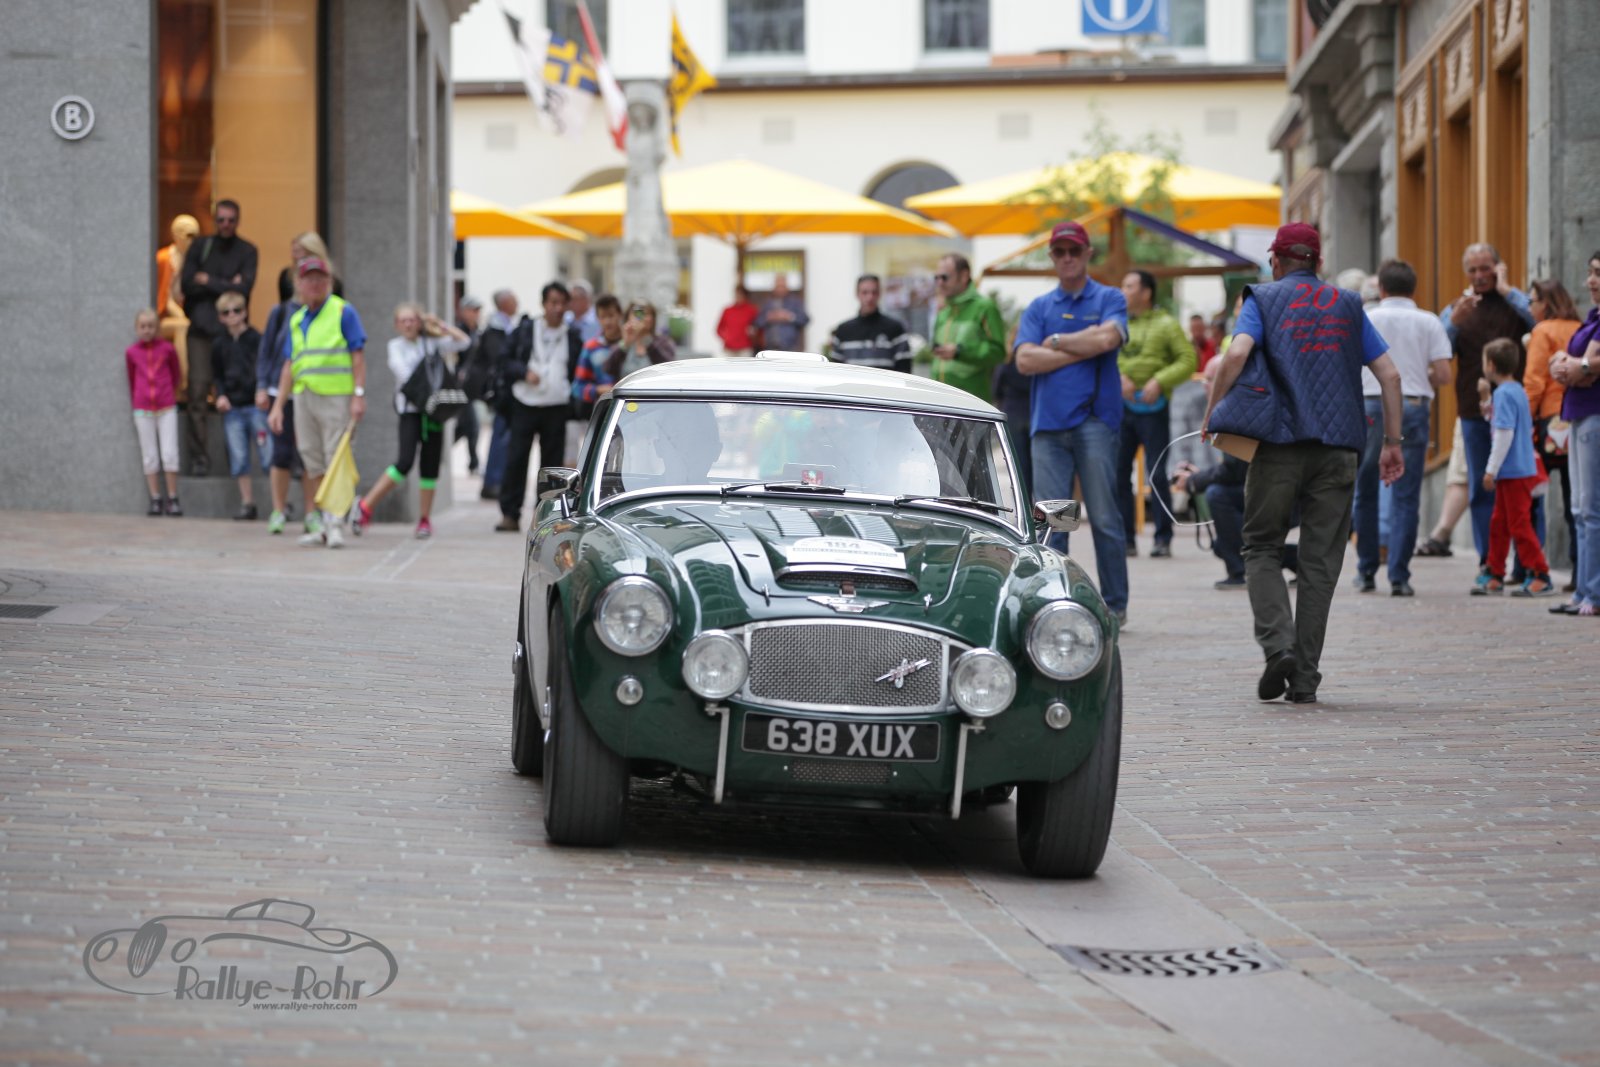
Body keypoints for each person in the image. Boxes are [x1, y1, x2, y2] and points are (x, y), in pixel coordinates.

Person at [1201, 223, 1404, 704]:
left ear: (1275, 260)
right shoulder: (1349, 304)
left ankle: (1279, 647)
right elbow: (1391, 375)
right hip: (1339, 449)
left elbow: (1237, 353)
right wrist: (1393, 443)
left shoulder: (1262, 299)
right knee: (1320, 564)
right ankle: (1305, 679)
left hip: (1279, 446)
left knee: (1260, 546)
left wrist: (1213, 413)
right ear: (1318, 262)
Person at [1014, 221, 1131, 624]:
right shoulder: (1039, 306)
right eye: (1060, 252)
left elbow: (1109, 340)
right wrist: (1085, 343)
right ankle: (1055, 601)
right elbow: (1024, 360)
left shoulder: (1109, 297)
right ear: (1052, 256)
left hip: (1096, 422)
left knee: (1103, 518)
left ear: (1087, 254)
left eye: (1074, 251)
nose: (1067, 258)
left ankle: (1115, 606)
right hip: (1049, 426)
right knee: (1054, 522)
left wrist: (1056, 342)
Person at [1353, 259, 1454, 596]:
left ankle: (1366, 570)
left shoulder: (1366, 317)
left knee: (1365, 488)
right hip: (1412, 405)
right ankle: (1399, 576)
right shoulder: (1429, 321)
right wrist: (1416, 377)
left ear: (1381, 288)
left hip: (1369, 403)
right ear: (1414, 289)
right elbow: (1444, 375)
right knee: (1406, 494)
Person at [1439, 243, 1535, 569]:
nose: (1480, 276)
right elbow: (1438, 351)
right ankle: (1489, 562)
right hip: (1472, 410)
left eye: (1486, 268)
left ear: (1498, 267)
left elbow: (1541, 321)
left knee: (1521, 487)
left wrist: (1508, 291)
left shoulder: (1514, 302)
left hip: (1515, 411)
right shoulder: (1458, 308)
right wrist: (1454, 321)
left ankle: (1524, 564)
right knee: (1482, 488)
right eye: (1473, 270)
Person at [267, 257, 367, 549]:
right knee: (312, 460)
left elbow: (358, 356)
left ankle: (336, 523)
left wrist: (358, 395)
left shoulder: (343, 311)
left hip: (336, 396)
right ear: (298, 284)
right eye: (308, 279)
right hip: (304, 396)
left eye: (320, 279)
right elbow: (289, 364)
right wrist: (278, 406)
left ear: (329, 282)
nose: (315, 284)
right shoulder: (296, 319)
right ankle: (324, 524)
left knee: (336, 458)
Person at [350, 304, 471, 540]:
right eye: (403, 320)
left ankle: (424, 519)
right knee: (404, 462)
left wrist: (440, 325)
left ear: (419, 321)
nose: (408, 324)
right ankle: (365, 506)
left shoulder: (432, 342)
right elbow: (403, 373)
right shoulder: (395, 346)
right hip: (411, 411)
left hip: (434, 411)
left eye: (412, 320)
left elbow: (464, 342)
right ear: (396, 325)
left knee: (430, 466)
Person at [1116, 269, 1197, 558]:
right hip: (1121, 410)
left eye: (1128, 286)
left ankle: (1163, 538)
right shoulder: (1116, 323)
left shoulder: (1167, 324)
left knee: (1157, 473)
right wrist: (1118, 377)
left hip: (1155, 411)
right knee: (1118, 474)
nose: (1122, 291)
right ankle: (1126, 539)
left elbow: (1188, 359)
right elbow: (1104, 357)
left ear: (1146, 292)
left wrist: (1159, 381)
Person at [179, 199, 258, 477]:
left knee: (235, 396)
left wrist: (207, 280)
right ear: (215, 220)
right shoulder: (200, 246)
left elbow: (244, 290)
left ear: (238, 221)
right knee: (198, 393)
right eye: (221, 219)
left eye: (231, 220)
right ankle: (199, 458)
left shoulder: (247, 251)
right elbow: (187, 284)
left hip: (232, 336)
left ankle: (236, 461)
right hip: (200, 333)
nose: (226, 225)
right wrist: (226, 284)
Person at [496, 283, 580, 532]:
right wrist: (524, 372)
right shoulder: (525, 330)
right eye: (553, 302)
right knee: (516, 458)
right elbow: (504, 360)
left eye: (562, 303)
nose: (557, 308)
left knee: (552, 465)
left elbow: (577, 368)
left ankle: (547, 516)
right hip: (525, 402)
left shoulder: (572, 335)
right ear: (544, 304)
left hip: (557, 406)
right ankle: (510, 513)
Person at [1477, 338, 1554, 595]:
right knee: (1500, 522)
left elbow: (1503, 433)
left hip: (1513, 472)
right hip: (1517, 470)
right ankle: (1495, 572)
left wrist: (1491, 469)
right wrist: (1486, 399)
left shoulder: (1504, 394)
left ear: (1490, 365)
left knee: (1518, 524)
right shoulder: (1516, 391)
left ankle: (1540, 573)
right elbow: (1498, 420)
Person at [1547, 250, 1600, 615]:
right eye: (1590, 272)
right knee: (1581, 508)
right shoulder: (1593, 318)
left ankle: (1593, 594)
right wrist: (1572, 364)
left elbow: (1586, 367)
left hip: (1594, 413)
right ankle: (1583, 591)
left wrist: (1579, 365)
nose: (1590, 281)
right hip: (1579, 413)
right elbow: (1572, 365)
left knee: (1591, 509)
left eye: (1598, 273)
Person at [1524, 279, 1583, 584]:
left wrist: (1525, 421)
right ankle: (1580, 571)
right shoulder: (1581, 328)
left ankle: (1532, 568)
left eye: (1532, 301)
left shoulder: (1542, 331)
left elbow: (1534, 381)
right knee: (1578, 499)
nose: (1529, 307)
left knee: (1531, 497)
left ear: (1544, 304)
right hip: (1576, 417)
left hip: (1548, 421)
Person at [256, 267, 306, 535]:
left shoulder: (327, 312)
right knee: (281, 453)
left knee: (310, 456)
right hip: (280, 391)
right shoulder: (280, 312)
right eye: (303, 279)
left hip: (310, 391)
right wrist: (262, 387)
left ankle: (313, 513)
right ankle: (278, 510)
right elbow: (267, 352)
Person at [211, 291, 267, 520]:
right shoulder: (218, 344)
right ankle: (247, 503)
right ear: (220, 317)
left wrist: (262, 390)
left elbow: (263, 368)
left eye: (237, 310)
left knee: (268, 454)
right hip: (233, 408)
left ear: (245, 312)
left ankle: (281, 503)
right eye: (226, 312)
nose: (232, 315)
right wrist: (221, 395)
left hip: (256, 405)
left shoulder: (256, 339)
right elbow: (217, 375)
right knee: (239, 456)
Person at [925, 253, 1007, 403]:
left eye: (944, 277)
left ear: (963, 276)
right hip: (938, 402)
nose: (939, 283)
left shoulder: (985, 307)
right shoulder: (943, 312)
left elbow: (998, 352)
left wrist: (960, 351)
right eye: (936, 278)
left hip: (971, 405)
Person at [125, 309, 183, 516]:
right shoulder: (132, 352)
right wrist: (139, 399)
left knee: (169, 453)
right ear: (137, 328)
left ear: (157, 328)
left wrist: (167, 393)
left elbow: (176, 374)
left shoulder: (167, 349)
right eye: (143, 326)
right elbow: (132, 378)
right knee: (149, 455)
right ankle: (155, 498)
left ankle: (173, 498)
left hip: (166, 407)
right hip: (143, 409)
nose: (147, 330)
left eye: (151, 326)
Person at [478, 289, 523, 501]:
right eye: (513, 300)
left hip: (507, 391)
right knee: (500, 436)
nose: (517, 303)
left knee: (504, 437)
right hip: (503, 392)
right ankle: (493, 482)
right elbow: (500, 360)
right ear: (504, 303)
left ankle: (497, 480)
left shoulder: (506, 326)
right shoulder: (496, 329)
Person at [829, 274, 911, 373]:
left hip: (885, 384)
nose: (870, 297)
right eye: (865, 292)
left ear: (879, 294)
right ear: (857, 294)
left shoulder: (895, 329)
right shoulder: (843, 331)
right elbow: (836, 372)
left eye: (874, 292)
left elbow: (904, 370)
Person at [156, 214, 199, 393]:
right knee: (183, 326)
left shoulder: (195, 261)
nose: (192, 241)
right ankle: (183, 384)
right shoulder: (163, 258)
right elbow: (163, 296)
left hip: (187, 313)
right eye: (188, 235)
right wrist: (180, 314)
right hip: (163, 317)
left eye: (195, 236)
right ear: (176, 235)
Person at [572, 293, 626, 407]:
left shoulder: (631, 343)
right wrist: (597, 390)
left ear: (620, 315)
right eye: (603, 317)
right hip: (604, 407)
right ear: (597, 318)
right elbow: (578, 387)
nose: (607, 322)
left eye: (611, 315)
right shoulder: (591, 347)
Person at [991, 356, 1032, 500]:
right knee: (1032, 465)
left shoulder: (1006, 364)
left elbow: (996, 390)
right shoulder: (1036, 366)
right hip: (1031, 413)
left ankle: (1023, 500)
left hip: (1012, 414)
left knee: (1018, 466)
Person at [453, 296, 485, 475]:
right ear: (463, 311)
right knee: (471, 425)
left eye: (478, 310)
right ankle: (473, 463)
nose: (476, 314)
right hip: (458, 387)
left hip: (471, 387)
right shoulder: (459, 331)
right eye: (473, 310)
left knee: (463, 427)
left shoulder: (477, 331)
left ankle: (442, 453)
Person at [756, 275, 809, 351]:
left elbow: (805, 319)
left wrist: (789, 317)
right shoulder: (768, 303)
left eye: (782, 286)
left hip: (790, 347)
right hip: (770, 347)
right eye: (778, 286)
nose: (780, 289)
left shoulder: (795, 302)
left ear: (787, 287)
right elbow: (758, 322)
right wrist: (768, 318)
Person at [716, 284, 760, 355]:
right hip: (729, 348)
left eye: (740, 295)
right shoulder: (727, 311)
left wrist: (752, 335)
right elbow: (719, 329)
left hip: (745, 348)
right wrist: (726, 337)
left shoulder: (751, 310)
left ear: (745, 296)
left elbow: (758, 327)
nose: (738, 297)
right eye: (736, 294)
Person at [564, 280, 601, 345]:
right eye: (569, 299)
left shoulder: (599, 319)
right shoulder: (565, 319)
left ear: (586, 299)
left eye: (573, 299)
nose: (570, 302)